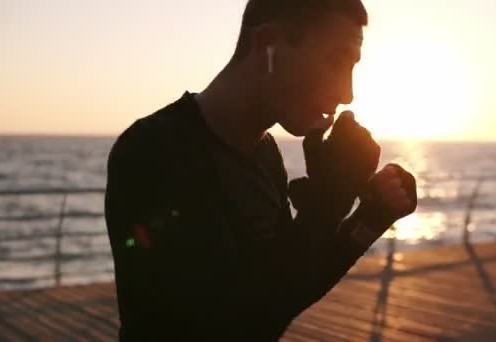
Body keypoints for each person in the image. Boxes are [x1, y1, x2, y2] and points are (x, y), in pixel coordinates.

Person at [104, 0, 417, 340]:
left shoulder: (264, 153)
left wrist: (369, 218)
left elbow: (288, 285)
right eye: (336, 61)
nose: (348, 93)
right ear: (268, 45)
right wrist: (328, 202)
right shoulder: (154, 149)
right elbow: (225, 323)